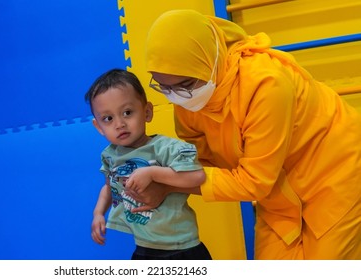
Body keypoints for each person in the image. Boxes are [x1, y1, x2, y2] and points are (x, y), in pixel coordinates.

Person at [129, 9, 361, 260]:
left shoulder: (265, 84)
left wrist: (166, 181)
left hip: (335, 172)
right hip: (279, 191)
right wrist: (166, 180)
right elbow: (197, 164)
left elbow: (254, 182)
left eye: (183, 86)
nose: (175, 96)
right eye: (163, 86)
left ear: (209, 61)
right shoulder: (187, 100)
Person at [85, 68, 212, 260]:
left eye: (127, 112)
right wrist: (98, 213)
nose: (119, 124)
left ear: (147, 112)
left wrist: (153, 173)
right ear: (99, 127)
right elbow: (109, 188)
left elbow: (197, 176)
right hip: (144, 246)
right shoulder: (110, 155)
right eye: (108, 118)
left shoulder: (165, 148)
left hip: (182, 246)